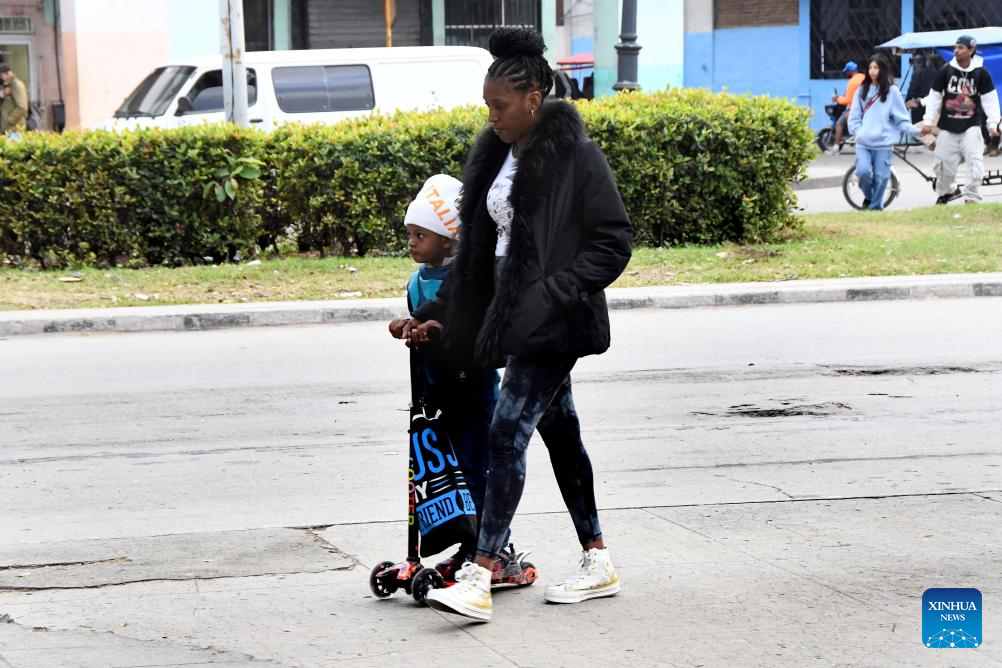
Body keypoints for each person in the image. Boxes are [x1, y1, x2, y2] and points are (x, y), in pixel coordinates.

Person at [403, 26, 632, 622]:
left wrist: (552, 293)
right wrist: (434, 314)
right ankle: (598, 560)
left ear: (534, 99)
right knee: (561, 432)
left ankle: (481, 574)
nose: (492, 116)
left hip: (555, 321)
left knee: (506, 433)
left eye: (500, 105)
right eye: (487, 105)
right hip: (512, 317)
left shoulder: (577, 157)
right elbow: (479, 252)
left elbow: (613, 243)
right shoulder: (497, 155)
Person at [387, 174, 536, 589]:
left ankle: (497, 551)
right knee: (448, 477)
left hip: (474, 390)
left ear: (450, 241)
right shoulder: (417, 283)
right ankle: (470, 546)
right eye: (410, 234)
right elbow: (423, 322)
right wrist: (409, 327)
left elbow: (477, 331)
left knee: (476, 471)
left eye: (421, 235)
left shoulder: (472, 280)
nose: (412, 242)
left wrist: (440, 329)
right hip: (437, 393)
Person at [920, 35, 1001, 204]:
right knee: (942, 165)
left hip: (971, 125)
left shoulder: (981, 73)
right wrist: (927, 122)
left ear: (971, 51)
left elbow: (990, 99)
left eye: (961, 47)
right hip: (947, 127)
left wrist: (993, 124)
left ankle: (971, 197)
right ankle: (948, 191)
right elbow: (934, 97)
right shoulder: (945, 71)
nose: (956, 50)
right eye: (955, 47)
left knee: (975, 163)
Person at [847, 53, 919, 211]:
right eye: (870, 67)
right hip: (863, 143)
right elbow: (854, 117)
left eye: (876, 67)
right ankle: (870, 198)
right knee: (863, 173)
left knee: (881, 178)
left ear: (883, 70)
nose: (872, 71)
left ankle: (875, 209)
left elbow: (902, 119)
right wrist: (858, 132)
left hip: (883, 144)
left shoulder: (893, 92)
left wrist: (917, 131)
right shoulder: (862, 89)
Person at [829, 61, 866, 154]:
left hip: (854, 109)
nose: (846, 74)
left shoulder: (852, 81)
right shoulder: (864, 77)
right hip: (866, 108)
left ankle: (836, 147)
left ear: (850, 71)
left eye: (847, 72)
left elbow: (848, 100)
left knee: (839, 123)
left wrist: (837, 99)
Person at [904, 54, 936, 125]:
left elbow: (912, 89)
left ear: (917, 62)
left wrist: (907, 101)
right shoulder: (933, 71)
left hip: (918, 104)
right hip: (930, 103)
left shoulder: (917, 72)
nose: (913, 65)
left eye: (914, 63)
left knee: (917, 126)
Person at [0, 64, 28, 137]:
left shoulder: (16, 85)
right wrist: (2, 94)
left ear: (7, 73)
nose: (0, 77)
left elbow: (22, 106)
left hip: (14, 129)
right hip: (7, 128)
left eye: (1, 75)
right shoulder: (6, 85)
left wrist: (10, 120)